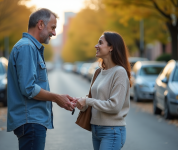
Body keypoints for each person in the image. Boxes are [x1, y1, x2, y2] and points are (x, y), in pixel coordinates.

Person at [7, 8, 76, 150]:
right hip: (31, 121)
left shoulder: (30, 47)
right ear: (40, 25)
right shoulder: (27, 47)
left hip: (32, 121)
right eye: (52, 27)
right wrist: (56, 98)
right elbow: (29, 88)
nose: (54, 33)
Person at [76, 31, 131, 150]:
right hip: (96, 130)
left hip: (111, 131)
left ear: (111, 47)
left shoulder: (119, 72)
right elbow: (93, 99)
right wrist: (80, 102)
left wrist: (87, 101)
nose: (96, 46)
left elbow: (114, 106)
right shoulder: (98, 72)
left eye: (100, 43)